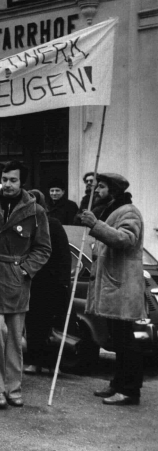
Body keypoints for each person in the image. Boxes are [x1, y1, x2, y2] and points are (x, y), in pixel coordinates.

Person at [0, 160, 51, 409]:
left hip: (17, 281)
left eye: (13, 180)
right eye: (4, 179)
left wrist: (25, 270)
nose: (7, 184)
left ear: (22, 182)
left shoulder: (35, 211)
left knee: (15, 339)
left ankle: (13, 387)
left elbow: (43, 248)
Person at [81, 173, 145, 406]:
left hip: (122, 287)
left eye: (101, 187)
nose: (96, 190)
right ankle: (118, 384)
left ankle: (129, 390)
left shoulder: (128, 211)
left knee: (125, 340)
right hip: (113, 286)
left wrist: (95, 225)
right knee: (118, 339)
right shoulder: (112, 210)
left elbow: (126, 240)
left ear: (113, 190)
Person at [25, 190, 71, 375]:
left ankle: (52, 365)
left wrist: (63, 282)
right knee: (33, 323)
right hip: (32, 281)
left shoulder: (53, 223)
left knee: (50, 326)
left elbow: (64, 256)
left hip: (51, 283)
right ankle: (35, 362)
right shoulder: (26, 223)